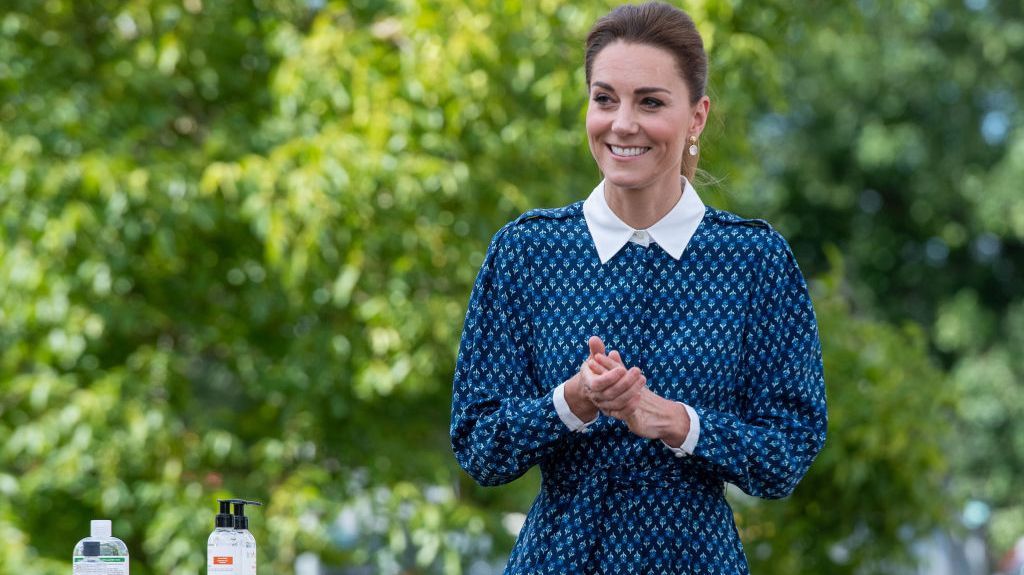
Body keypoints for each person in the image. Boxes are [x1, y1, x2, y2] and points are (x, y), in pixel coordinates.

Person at [450, 2, 827, 573]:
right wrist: (571, 402)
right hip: (557, 559)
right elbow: (479, 447)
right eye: (605, 99)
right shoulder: (526, 252)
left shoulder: (754, 261)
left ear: (697, 117)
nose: (622, 123)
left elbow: (789, 451)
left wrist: (676, 422)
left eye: (649, 102)